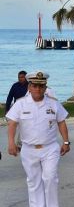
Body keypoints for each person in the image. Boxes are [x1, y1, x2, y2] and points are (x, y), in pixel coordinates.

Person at [6, 70, 70, 207]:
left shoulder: (53, 103)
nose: (38, 89)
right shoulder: (20, 104)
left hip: (50, 148)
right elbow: (12, 123)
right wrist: (11, 143)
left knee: (50, 178)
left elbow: (61, 122)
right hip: (28, 149)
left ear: (45, 88)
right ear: (29, 87)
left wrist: (66, 142)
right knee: (34, 181)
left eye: (41, 86)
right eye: (35, 86)